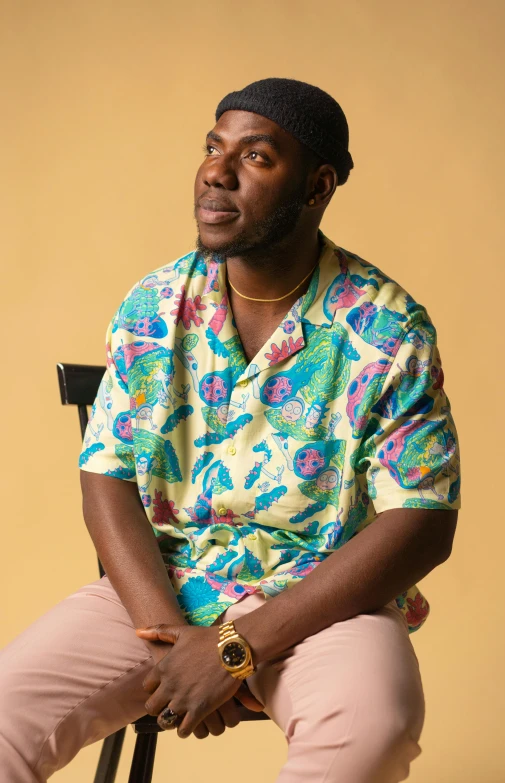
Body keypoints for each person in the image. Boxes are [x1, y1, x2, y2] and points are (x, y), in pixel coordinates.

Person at [0, 77, 461, 782]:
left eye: (255, 156)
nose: (216, 171)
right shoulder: (154, 303)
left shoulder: (388, 326)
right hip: (169, 585)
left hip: (323, 601)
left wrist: (233, 650)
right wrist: (168, 640)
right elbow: (106, 475)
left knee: (373, 730)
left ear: (318, 186)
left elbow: (422, 521)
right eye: (213, 148)